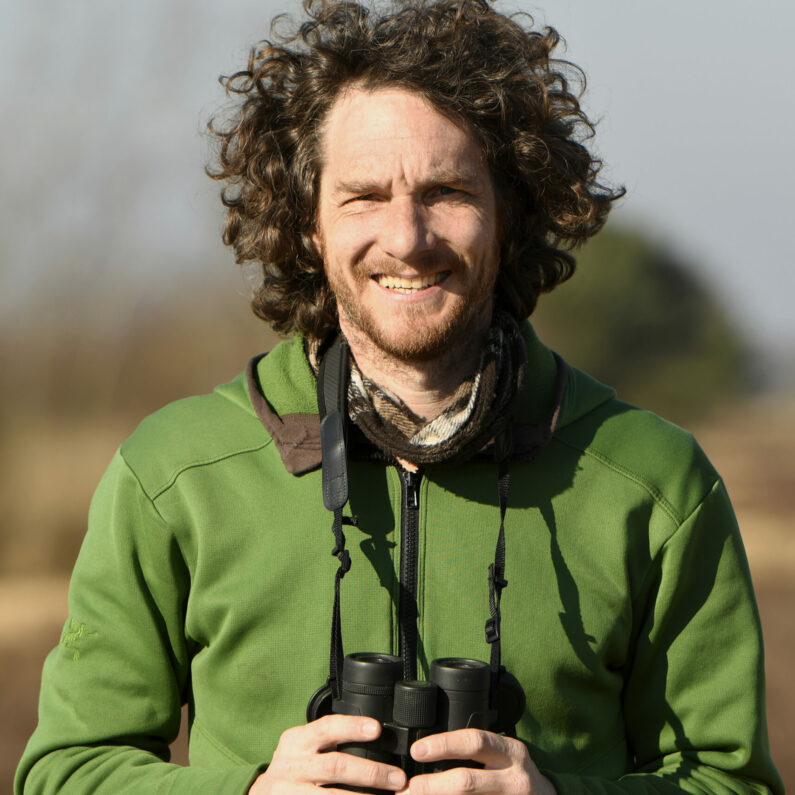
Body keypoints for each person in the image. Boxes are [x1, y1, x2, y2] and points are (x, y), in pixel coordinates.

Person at [16, 0, 783, 793]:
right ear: (307, 223)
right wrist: (245, 792)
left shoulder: (654, 482)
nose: (406, 237)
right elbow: (65, 772)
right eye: (363, 196)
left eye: (446, 190)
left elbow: (733, 782)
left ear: (508, 210)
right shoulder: (176, 474)